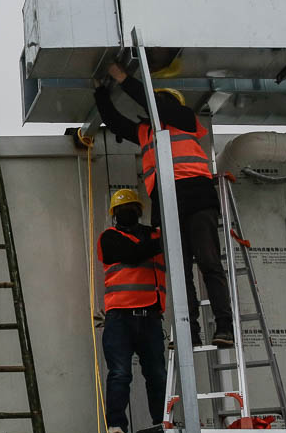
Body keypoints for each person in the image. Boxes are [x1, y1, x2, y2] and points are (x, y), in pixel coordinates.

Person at [93, 63, 234, 347]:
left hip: (196, 197)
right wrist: (100, 93)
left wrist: (122, 77)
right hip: (167, 203)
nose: (155, 106)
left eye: (159, 101)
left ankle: (225, 327)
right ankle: (189, 333)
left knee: (208, 263)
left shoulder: (183, 118)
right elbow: (116, 121)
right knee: (180, 272)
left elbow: (151, 103)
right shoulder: (146, 132)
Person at [98, 189, 168, 433]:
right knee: (120, 373)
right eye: (122, 210)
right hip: (120, 318)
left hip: (150, 317)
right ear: (115, 215)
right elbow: (133, 254)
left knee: (157, 375)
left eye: (131, 209)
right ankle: (116, 426)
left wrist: (160, 237)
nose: (127, 213)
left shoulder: (157, 236)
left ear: (139, 212)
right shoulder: (109, 238)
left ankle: (162, 424)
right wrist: (159, 240)